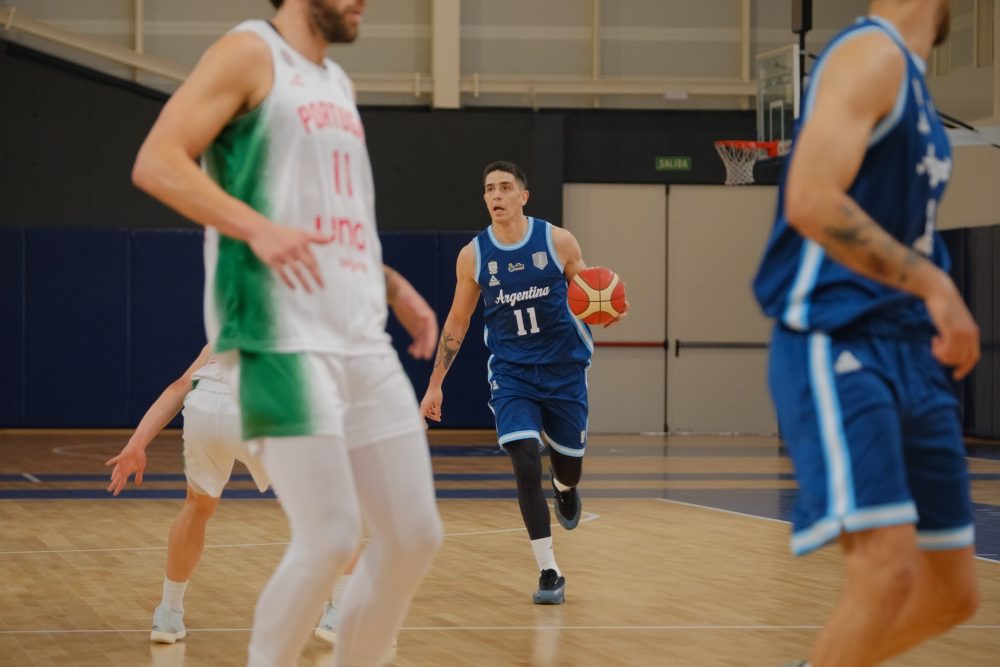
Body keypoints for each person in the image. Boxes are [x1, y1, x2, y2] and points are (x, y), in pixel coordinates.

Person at [131, 0, 444, 664]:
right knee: (330, 535)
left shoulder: (338, 84)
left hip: (361, 333)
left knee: (414, 532)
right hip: (277, 333)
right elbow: (157, 161)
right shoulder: (248, 52)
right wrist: (256, 226)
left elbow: (335, 218)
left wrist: (393, 284)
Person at [752, 2, 979, 665]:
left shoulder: (914, 86)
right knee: (885, 574)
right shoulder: (868, 55)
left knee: (951, 593)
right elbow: (812, 199)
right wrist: (937, 284)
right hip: (838, 332)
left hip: (910, 347)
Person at [420, 161, 626, 605]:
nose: (496, 195)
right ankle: (549, 570)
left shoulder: (557, 241)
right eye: (489, 189)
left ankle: (565, 487)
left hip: (564, 370)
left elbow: (590, 291)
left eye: (505, 187)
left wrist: (605, 309)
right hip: (512, 373)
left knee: (567, 467)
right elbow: (458, 320)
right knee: (526, 461)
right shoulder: (474, 255)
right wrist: (436, 383)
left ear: (523, 196)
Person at [106, 345, 271, 644]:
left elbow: (179, 386)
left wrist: (136, 443)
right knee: (327, 506)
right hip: (253, 407)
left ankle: (168, 615)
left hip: (204, 405)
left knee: (197, 506)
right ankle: (338, 611)